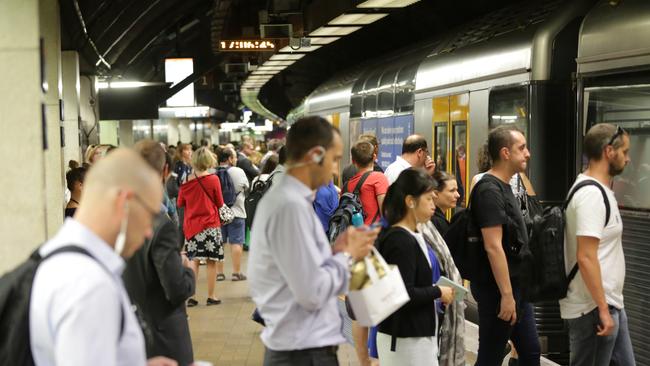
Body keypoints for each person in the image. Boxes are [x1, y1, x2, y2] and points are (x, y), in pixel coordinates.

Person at [248, 116, 379, 366]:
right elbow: (312, 292)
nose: (335, 169)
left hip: (299, 347)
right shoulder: (290, 207)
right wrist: (347, 255)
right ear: (317, 154)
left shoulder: (290, 200)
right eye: (335, 159)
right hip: (303, 352)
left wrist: (335, 251)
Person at [29, 149, 177, 366]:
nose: (148, 231)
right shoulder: (90, 285)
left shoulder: (57, 257)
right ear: (123, 202)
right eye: (150, 215)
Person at [561, 124, 634, 366]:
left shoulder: (601, 190)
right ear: (608, 151)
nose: (629, 158)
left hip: (609, 303)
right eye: (624, 152)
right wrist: (603, 309)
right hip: (592, 308)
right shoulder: (591, 196)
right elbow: (586, 257)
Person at [470, 125, 540, 366]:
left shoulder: (507, 186)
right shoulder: (488, 190)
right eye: (521, 148)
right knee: (490, 356)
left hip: (518, 287)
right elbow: (493, 246)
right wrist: (507, 295)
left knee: (531, 352)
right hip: (499, 291)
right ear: (505, 153)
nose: (528, 153)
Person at [123, 140, 195, 365]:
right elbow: (175, 288)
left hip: (130, 330)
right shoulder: (160, 224)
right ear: (165, 170)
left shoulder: (120, 217)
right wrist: (189, 271)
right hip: (165, 334)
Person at [375, 168, 454, 366]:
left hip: (412, 337)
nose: (433, 204)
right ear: (410, 201)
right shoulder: (400, 241)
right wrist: (438, 291)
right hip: (405, 340)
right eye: (428, 198)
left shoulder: (410, 235)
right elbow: (403, 294)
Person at [177, 147, 225, 307]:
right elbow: (219, 203)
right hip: (211, 225)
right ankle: (211, 296)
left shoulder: (185, 181)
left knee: (193, 261)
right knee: (211, 261)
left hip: (192, 226)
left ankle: (192, 296)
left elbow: (180, 203)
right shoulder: (214, 180)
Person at [216, 147, 250, 281]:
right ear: (230, 159)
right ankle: (236, 273)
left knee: (219, 243)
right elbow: (246, 186)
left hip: (219, 213)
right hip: (237, 212)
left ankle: (219, 273)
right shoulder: (238, 171)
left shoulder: (213, 172)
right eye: (234, 157)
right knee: (236, 242)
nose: (235, 159)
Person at [345, 140, 389, 225]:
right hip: (373, 235)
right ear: (374, 157)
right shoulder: (379, 178)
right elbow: (385, 213)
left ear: (353, 161)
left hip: (353, 236)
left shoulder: (347, 186)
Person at [431, 171, 460, 236]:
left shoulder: (437, 219)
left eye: (457, 190)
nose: (458, 195)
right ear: (435, 194)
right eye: (452, 191)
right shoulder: (436, 222)